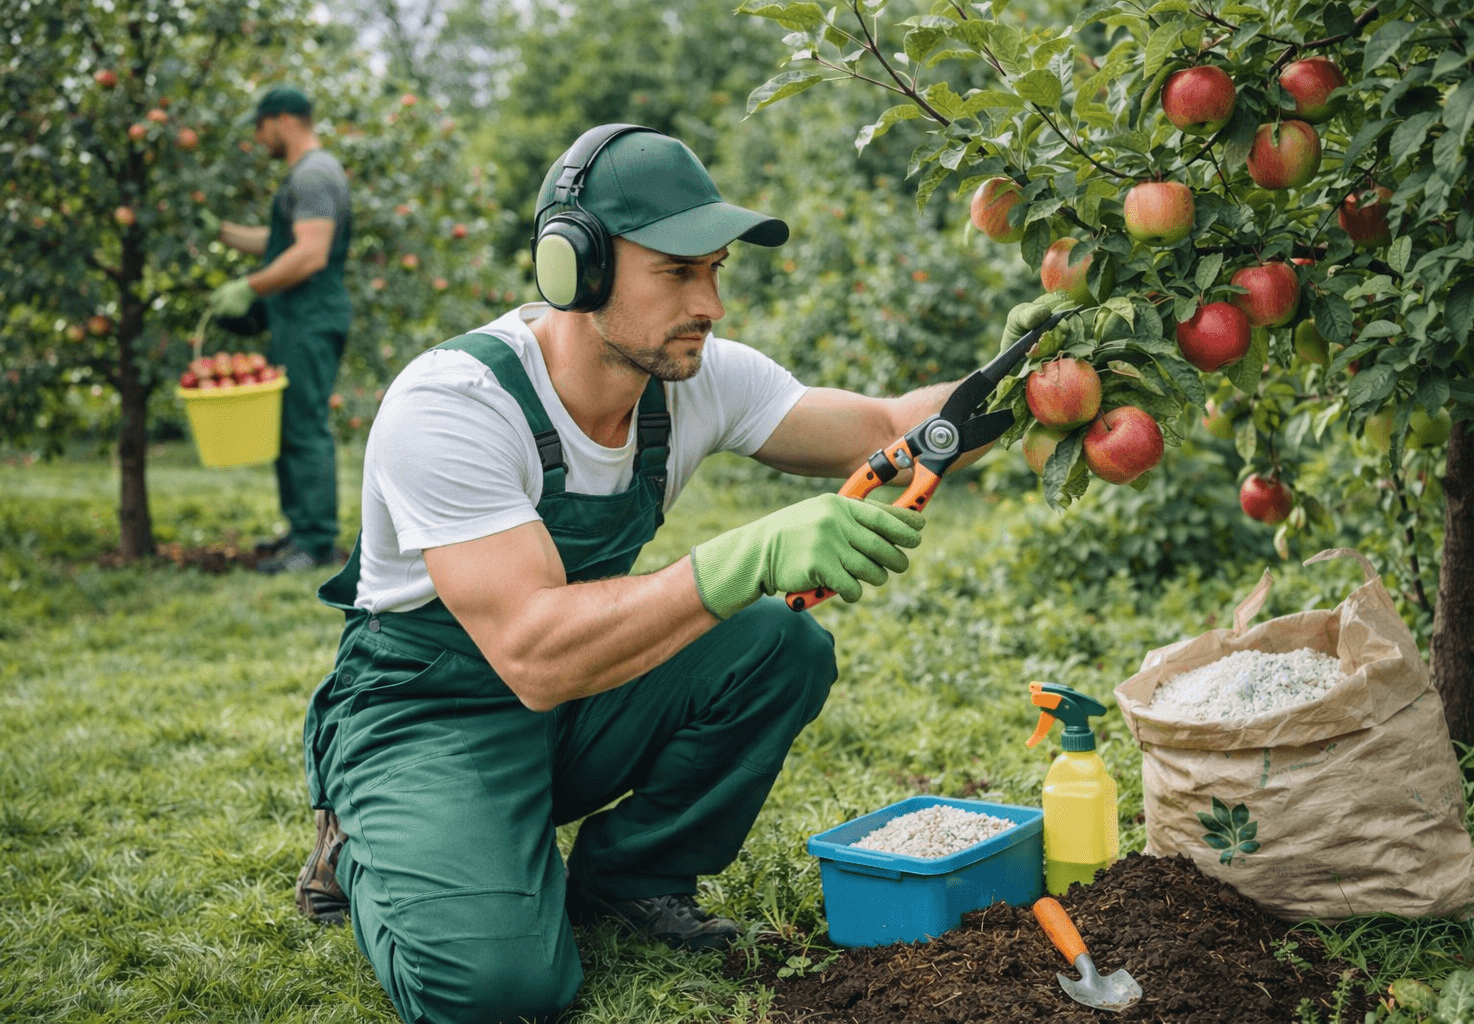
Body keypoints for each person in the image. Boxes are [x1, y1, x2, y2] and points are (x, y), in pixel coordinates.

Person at [294, 124, 1046, 1024]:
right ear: (577, 268)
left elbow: (887, 421)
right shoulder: (454, 405)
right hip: (430, 713)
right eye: (679, 272)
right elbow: (534, 653)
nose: (712, 303)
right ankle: (367, 840)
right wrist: (745, 555)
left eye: (717, 269)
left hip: (573, 702)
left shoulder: (694, 378)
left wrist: (1032, 381)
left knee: (776, 644)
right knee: (499, 992)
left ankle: (630, 879)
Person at [206, 85, 352, 574]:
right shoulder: (306, 176)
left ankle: (316, 542)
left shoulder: (313, 174)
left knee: (304, 427)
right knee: (289, 424)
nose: (258, 136)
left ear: (284, 120)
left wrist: (249, 286)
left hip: (310, 318)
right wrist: (221, 231)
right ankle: (300, 530)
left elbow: (309, 253)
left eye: (260, 125)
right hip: (296, 318)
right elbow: (280, 241)